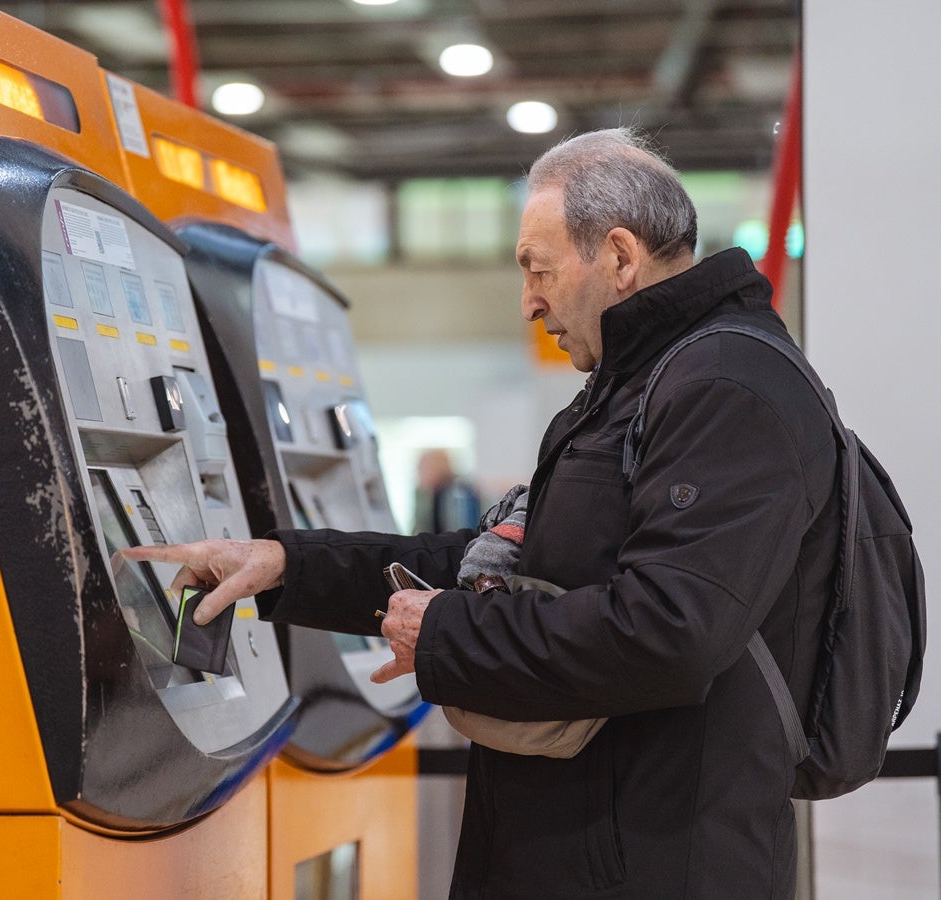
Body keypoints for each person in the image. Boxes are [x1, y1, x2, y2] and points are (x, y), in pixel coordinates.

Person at [123, 127, 840, 899]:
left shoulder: (728, 388)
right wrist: (286, 565)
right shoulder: (640, 385)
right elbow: (496, 564)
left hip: (652, 863)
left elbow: (670, 630)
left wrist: (446, 633)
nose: (529, 301)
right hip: (582, 844)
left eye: (538, 269)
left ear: (621, 258)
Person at [412, 448, 481, 534]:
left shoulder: (460, 491)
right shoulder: (425, 492)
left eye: (423, 467)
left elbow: (462, 531)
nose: (419, 472)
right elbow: (419, 529)